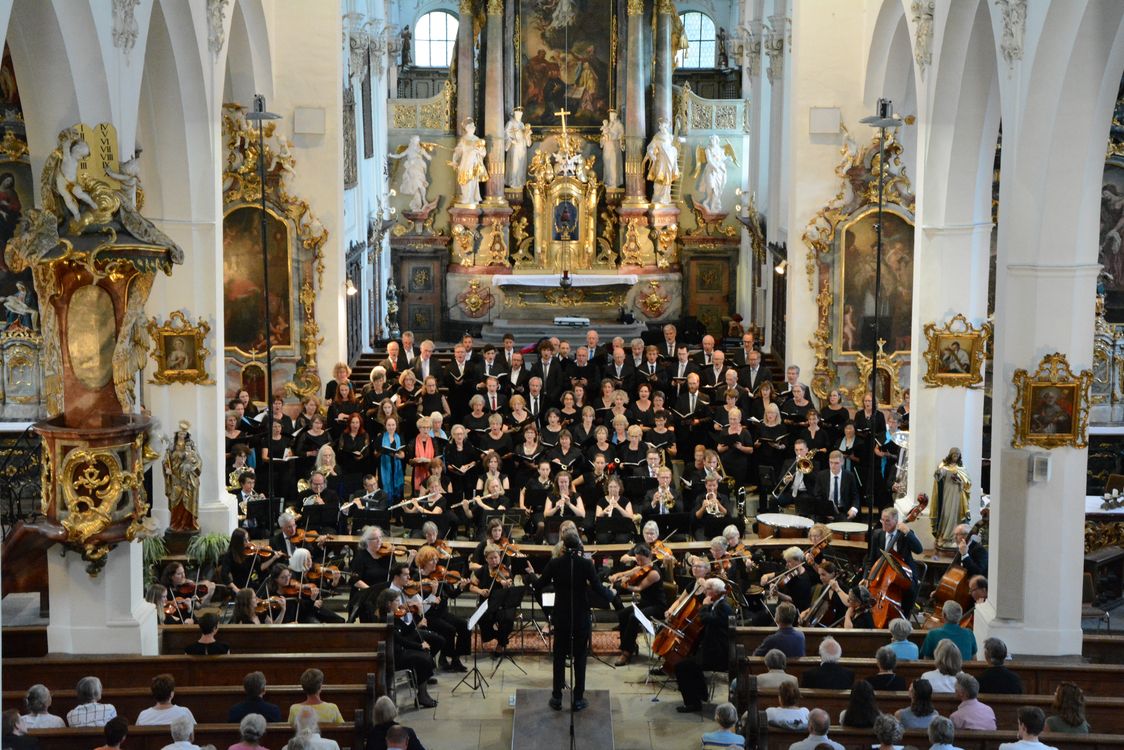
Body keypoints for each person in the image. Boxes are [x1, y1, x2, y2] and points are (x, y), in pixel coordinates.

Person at [532, 530, 613, 712]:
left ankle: (557, 697)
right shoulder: (586, 564)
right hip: (580, 616)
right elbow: (598, 587)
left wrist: (531, 577)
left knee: (559, 655)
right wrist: (610, 595)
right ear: (578, 546)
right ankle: (577, 698)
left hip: (561, 615)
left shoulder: (555, 563)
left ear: (563, 545)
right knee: (580, 657)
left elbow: (539, 584)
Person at [673, 577, 733, 713]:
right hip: (711, 649)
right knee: (688, 663)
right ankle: (701, 694)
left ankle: (693, 703)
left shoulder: (724, 607)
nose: (704, 592)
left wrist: (705, 606)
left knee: (681, 667)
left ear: (714, 591)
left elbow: (706, 619)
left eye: (707, 589)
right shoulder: (718, 603)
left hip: (718, 655)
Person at [610, 543, 666, 666]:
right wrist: (617, 576)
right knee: (622, 614)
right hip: (646, 602)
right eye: (637, 559)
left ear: (649, 556)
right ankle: (629, 644)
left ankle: (626, 652)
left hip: (657, 606)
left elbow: (639, 588)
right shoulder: (641, 567)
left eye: (641, 559)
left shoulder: (654, 573)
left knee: (633, 617)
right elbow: (628, 572)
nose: (639, 562)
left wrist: (624, 585)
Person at [867, 507, 923, 620]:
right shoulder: (878, 535)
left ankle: (905, 618)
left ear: (896, 521)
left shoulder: (905, 534)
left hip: (905, 574)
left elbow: (919, 549)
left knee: (910, 590)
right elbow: (870, 559)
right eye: (882, 520)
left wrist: (907, 532)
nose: (884, 523)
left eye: (887, 521)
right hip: (883, 574)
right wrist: (866, 577)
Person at [931, 448, 970, 549]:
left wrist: (960, 481)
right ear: (950, 455)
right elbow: (939, 476)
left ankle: (954, 538)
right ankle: (945, 538)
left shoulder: (962, 468)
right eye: (954, 454)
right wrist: (938, 472)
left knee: (956, 516)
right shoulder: (945, 467)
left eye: (958, 454)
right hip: (947, 495)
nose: (956, 456)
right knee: (947, 515)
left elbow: (967, 483)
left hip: (958, 496)